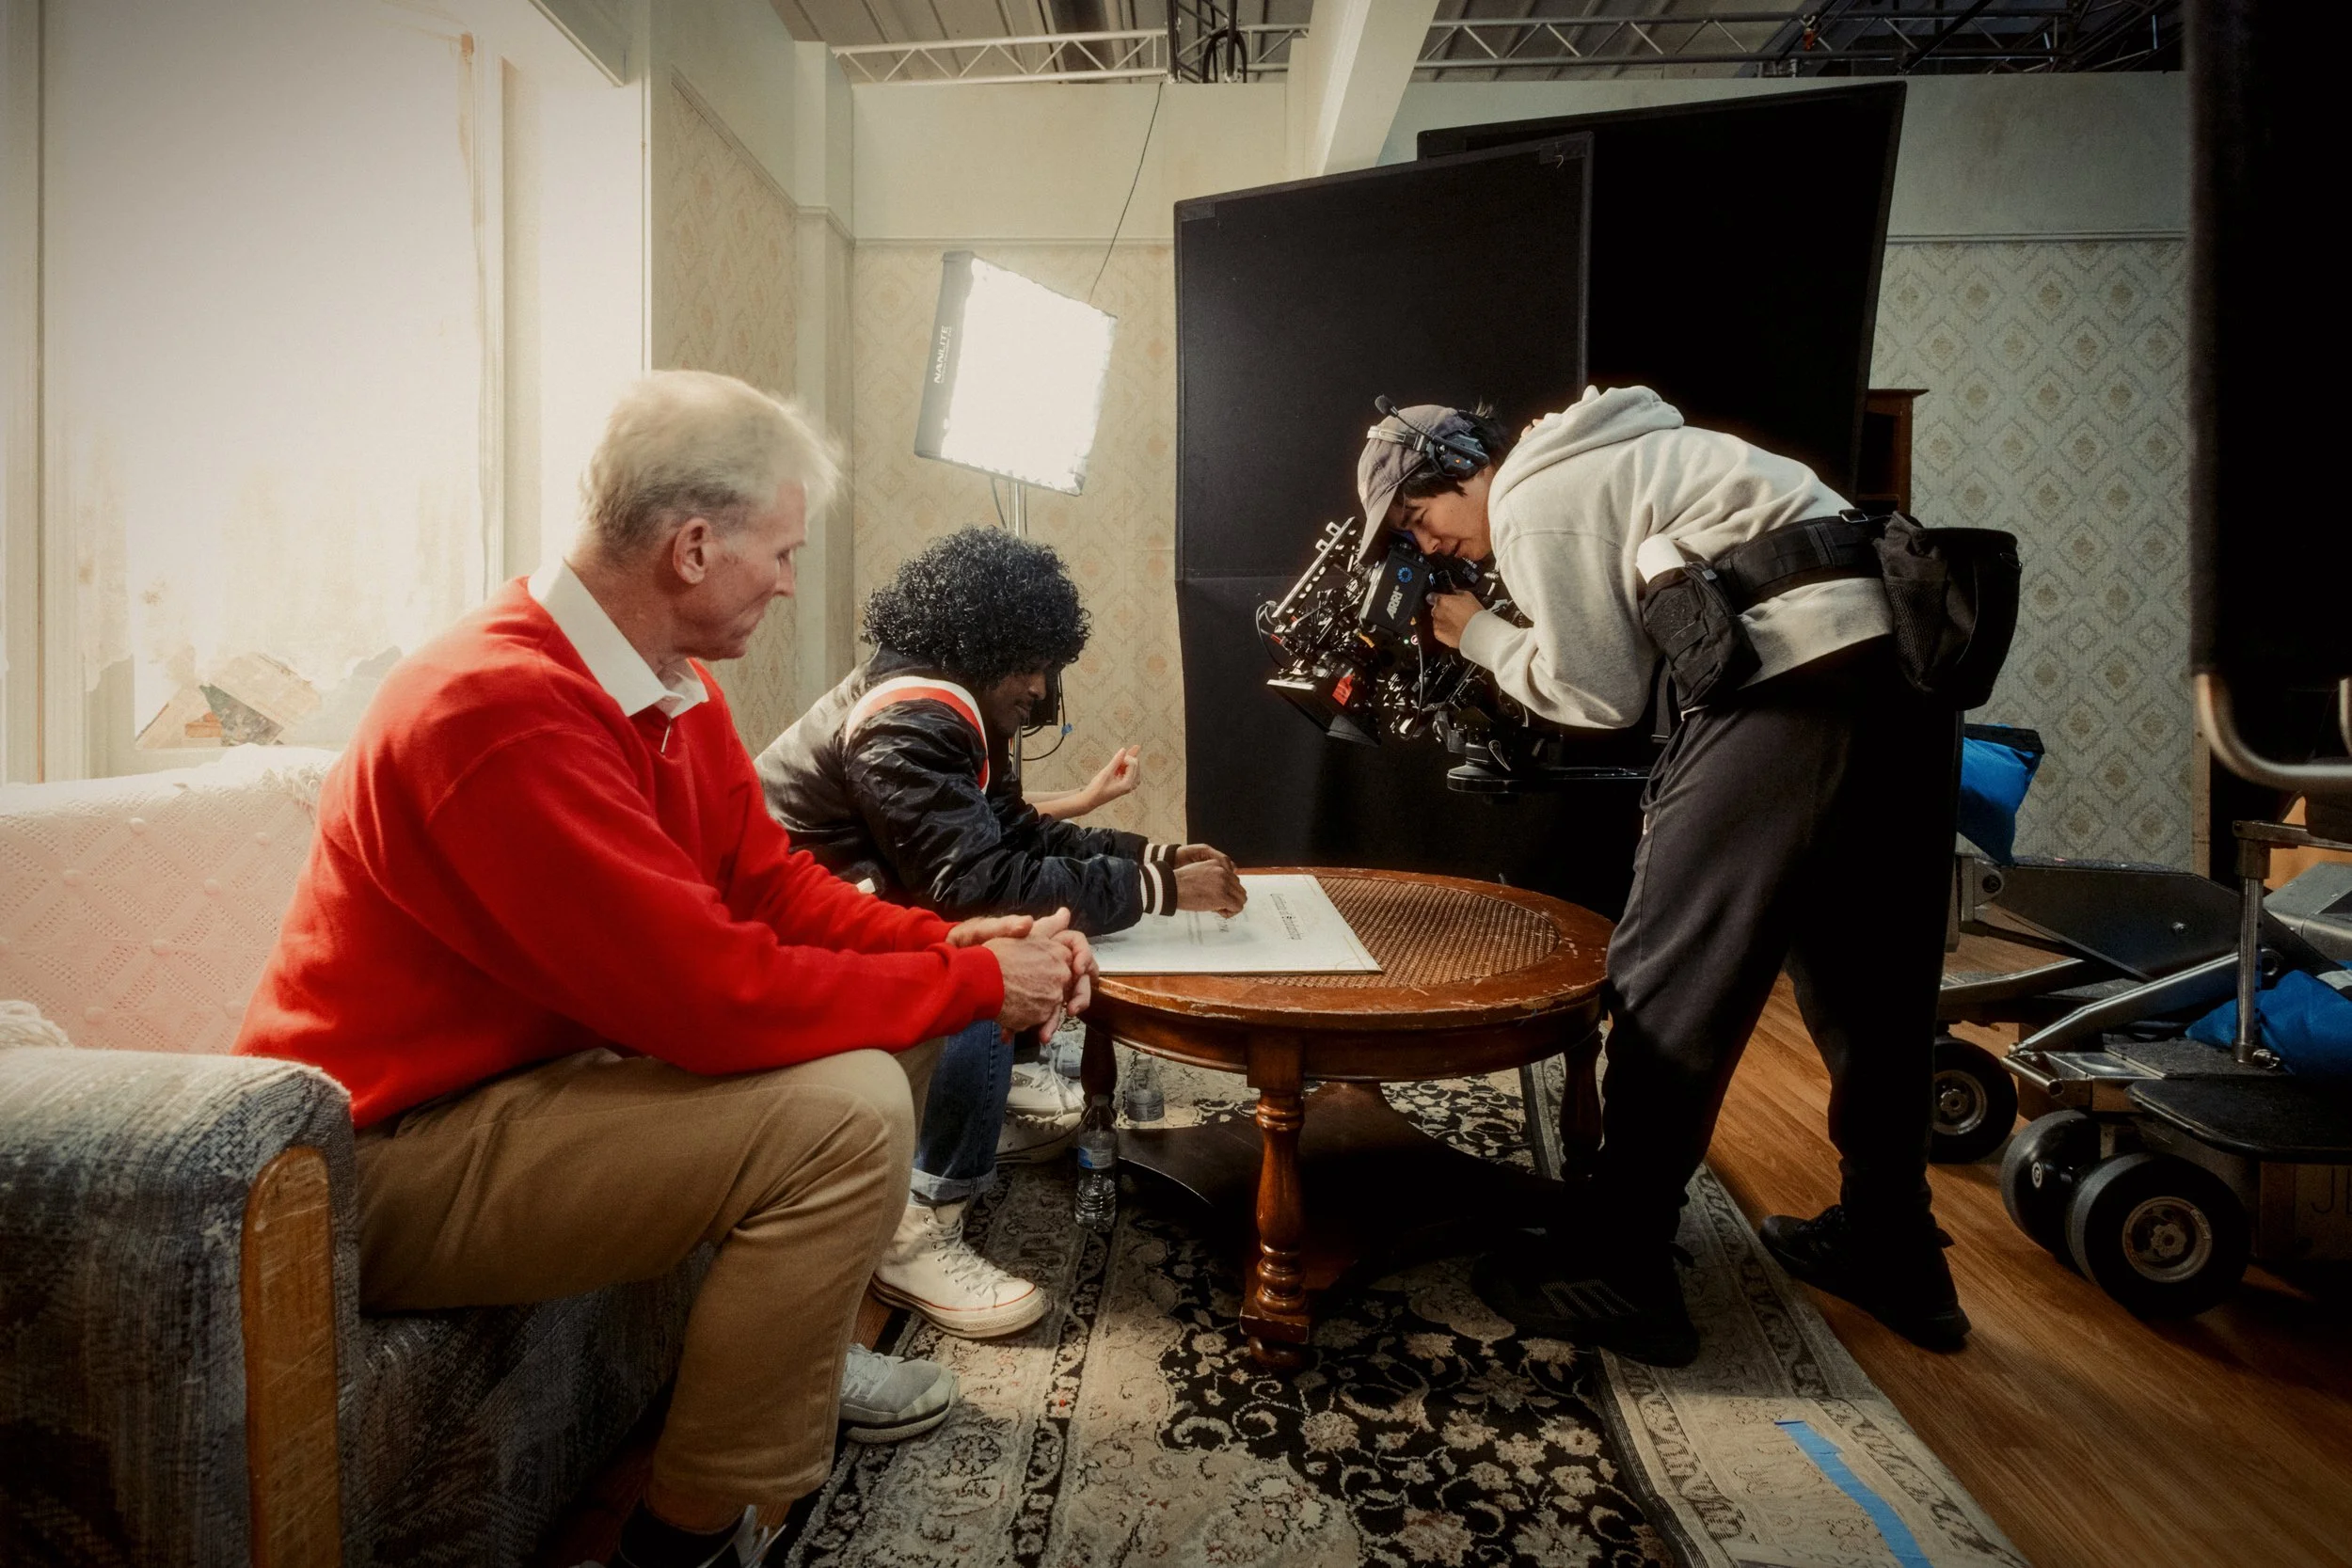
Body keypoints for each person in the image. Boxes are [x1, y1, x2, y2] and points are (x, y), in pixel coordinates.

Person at [237, 372, 1095, 1568]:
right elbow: (711, 996)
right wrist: (969, 986)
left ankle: (781, 1349)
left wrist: (946, 944)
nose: (792, 578)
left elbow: (770, 888)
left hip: (521, 1088)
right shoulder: (492, 708)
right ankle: (677, 1541)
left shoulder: (668, 682)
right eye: (782, 551)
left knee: (889, 1027)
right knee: (845, 1115)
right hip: (368, 1160)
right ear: (695, 546)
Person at [1353, 388, 1965, 1368]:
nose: (1435, 546)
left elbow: (1593, 693)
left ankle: (1620, 1271)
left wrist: (1471, 630)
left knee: (1665, 977)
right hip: (1907, 685)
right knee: (1871, 985)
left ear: (1461, 473)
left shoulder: (1530, 492)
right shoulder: (1646, 449)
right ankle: (1893, 1246)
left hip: (1791, 690)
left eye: (1423, 519)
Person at [758, 527, 1246, 1340]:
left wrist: (1153, 859)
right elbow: (977, 889)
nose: (1044, 686)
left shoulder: (947, 700)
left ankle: (985, 1102)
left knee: (1013, 922)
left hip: (845, 922)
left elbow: (1014, 833)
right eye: (1034, 662)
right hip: (795, 956)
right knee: (991, 943)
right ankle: (917, 1216)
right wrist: (1156, 888)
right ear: (988, 643)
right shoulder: (909, 721)